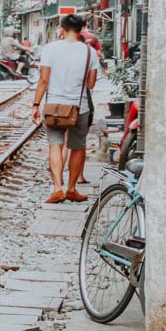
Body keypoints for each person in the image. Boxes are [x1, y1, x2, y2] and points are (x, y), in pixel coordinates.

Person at [31, 14, 100, 204]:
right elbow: (91, 84)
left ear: (62, 29)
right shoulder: (89, 52)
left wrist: (36, 105)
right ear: (81, 30)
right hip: (80, 107)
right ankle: (71, 189)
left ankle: (57, 189)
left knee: (55, 145)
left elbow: (44, 79)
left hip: (54, 107)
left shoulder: (50, 49)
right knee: (78, 147)